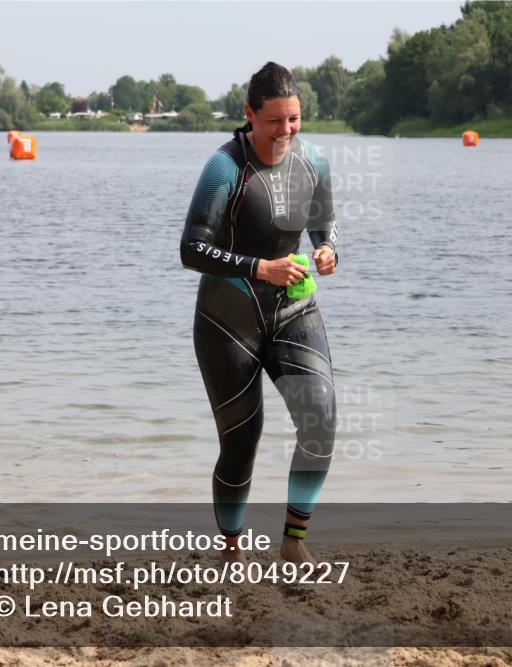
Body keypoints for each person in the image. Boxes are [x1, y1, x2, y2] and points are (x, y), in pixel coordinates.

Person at [180, 62, 338, 568]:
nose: (286, 130)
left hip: (293, 310)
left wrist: (328, 249)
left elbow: (324, 224)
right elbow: (191, 249)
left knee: (321, 420)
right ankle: (231, 547)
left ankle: (293, 539)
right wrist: (259, 267)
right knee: (242, 440)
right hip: (227, 319)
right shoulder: (224, 168)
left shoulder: (314, 161)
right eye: (274, 121)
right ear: (249, 114)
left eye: (294, 119)